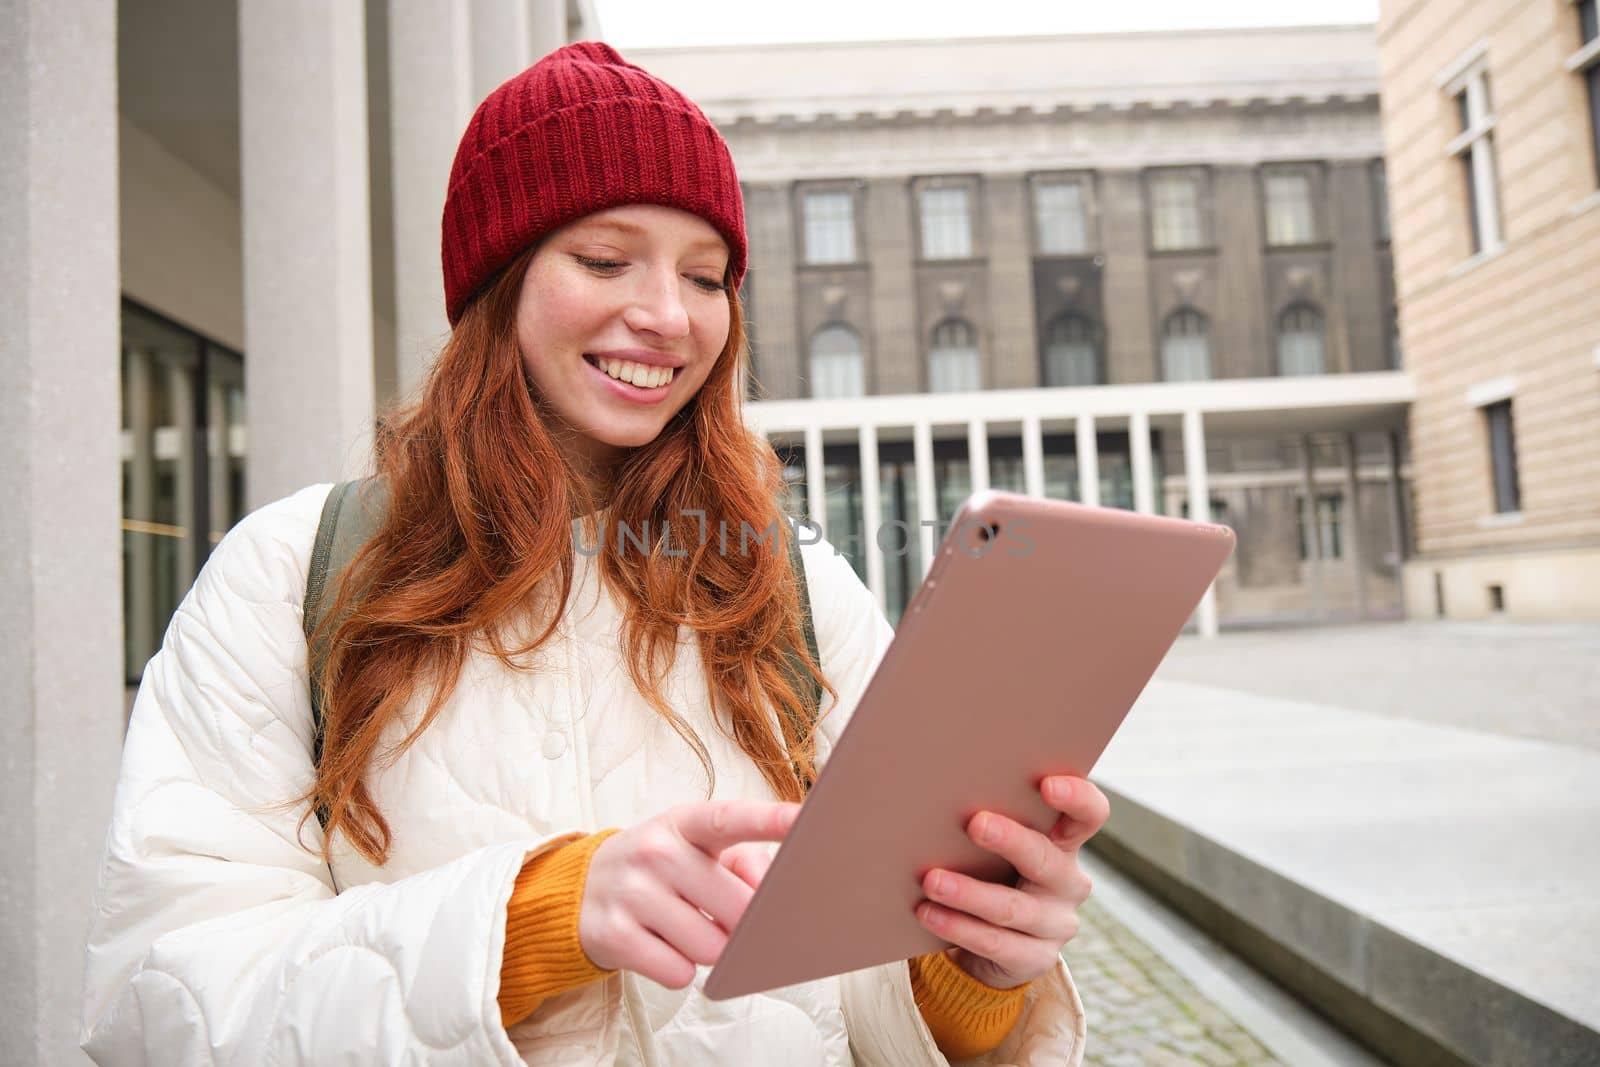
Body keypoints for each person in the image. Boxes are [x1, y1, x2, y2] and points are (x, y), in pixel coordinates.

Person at [80, 42, 1105, 1065]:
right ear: (499, 281)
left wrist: (970, 972)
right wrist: (533, 918)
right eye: (606, 260)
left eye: (705, 276)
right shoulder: (292, 569)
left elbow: (849, 995)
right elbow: (161, 1005)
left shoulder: (788, 579)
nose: (666, 314)